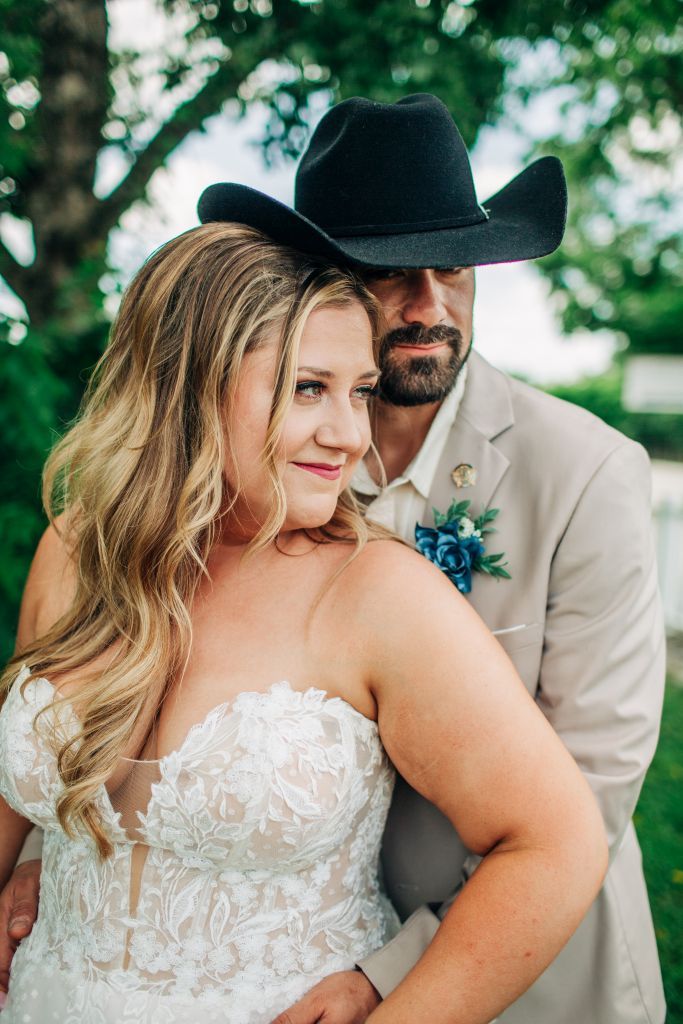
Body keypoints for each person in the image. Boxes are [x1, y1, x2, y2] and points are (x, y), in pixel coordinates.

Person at [0, 221, 606, 1023]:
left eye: (358, 391)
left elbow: (556, 846)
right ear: (188, 386)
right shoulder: (79, 549)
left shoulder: (380, 595)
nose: (352, 435)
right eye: (309, 389)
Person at [193, 94, 662, 1024]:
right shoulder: (253, 462)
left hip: (532, 967)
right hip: (292, 947)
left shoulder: (586, 472)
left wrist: (391, 971)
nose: (428, 306)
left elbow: (592, 783)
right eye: (388, 272)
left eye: (453, 265)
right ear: (313, 284)